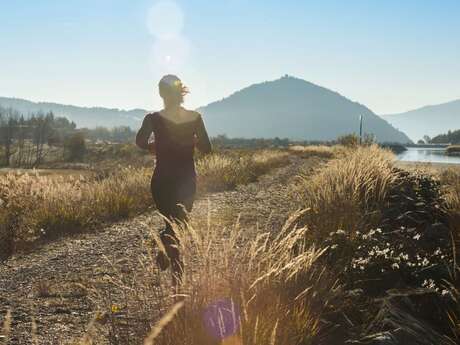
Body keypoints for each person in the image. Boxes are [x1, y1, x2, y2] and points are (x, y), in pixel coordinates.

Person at [136, 75, 212, 285]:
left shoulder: (152, 118)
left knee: (171, 224)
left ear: (161, 93)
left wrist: (154, 146)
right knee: (179, 224)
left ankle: (165, 251)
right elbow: (207, 148)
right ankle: (177, 279)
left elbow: (139, 141)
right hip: (186, 180)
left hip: (161, 180)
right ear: (181, 92)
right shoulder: (195, 118)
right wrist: (192, 140)